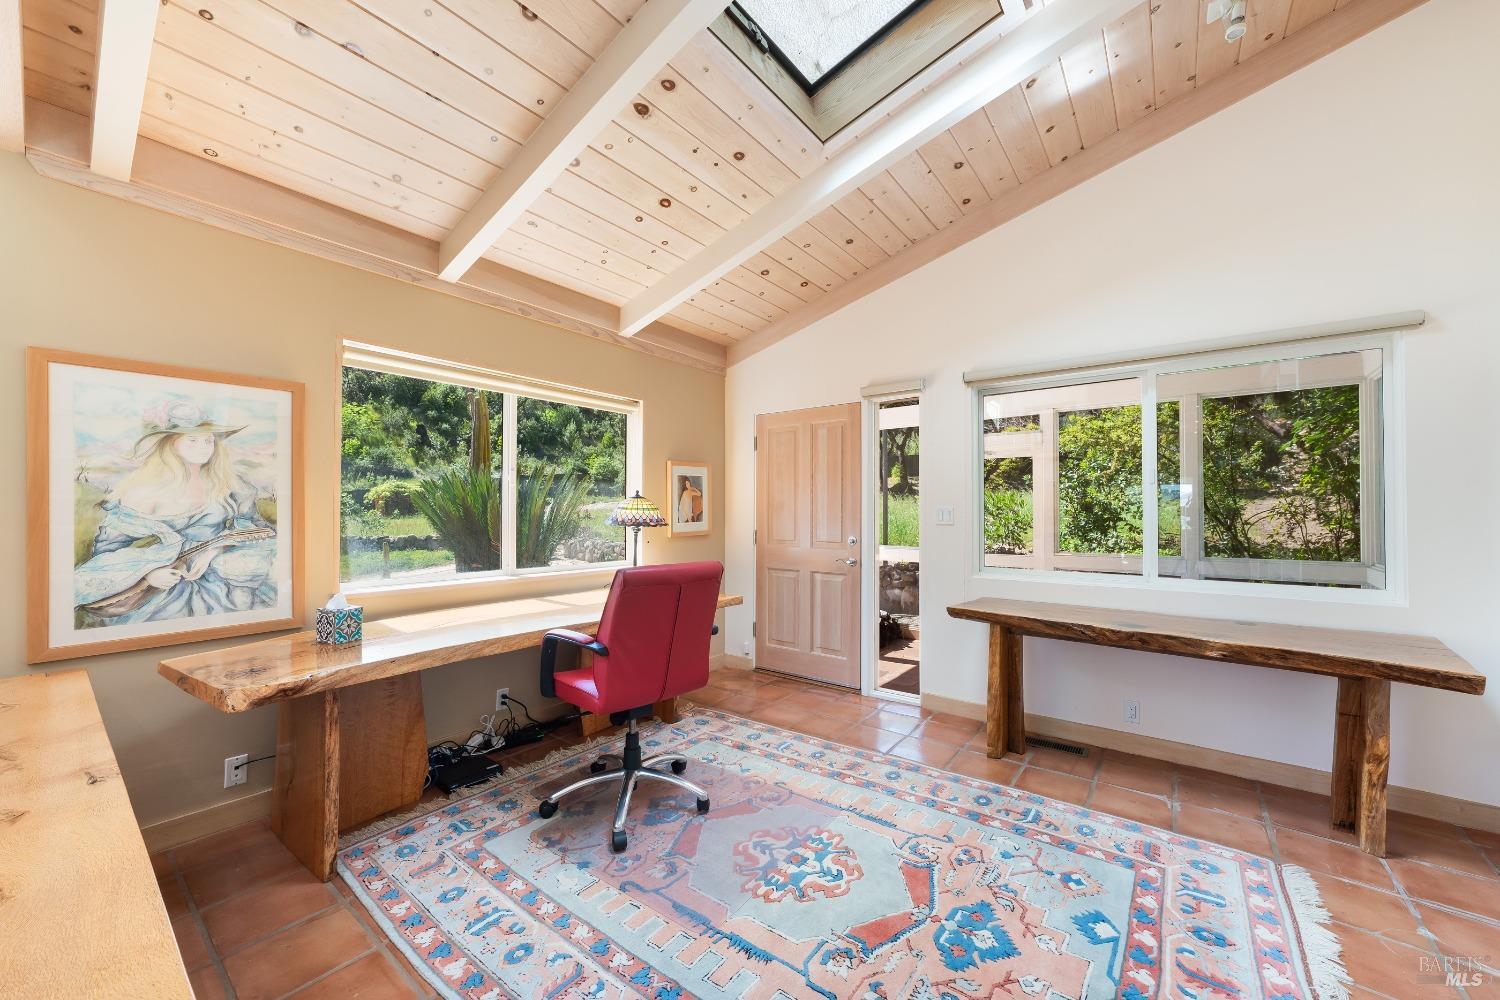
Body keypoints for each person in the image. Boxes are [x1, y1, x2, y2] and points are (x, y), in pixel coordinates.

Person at [73, 400, 277, 625]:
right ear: (171, 444)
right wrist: (147, 575)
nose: (204, 447)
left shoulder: (229, 485)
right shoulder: (144, 492)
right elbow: (106, 552)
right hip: (168, 585)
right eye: (193, 440)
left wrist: (215, 550)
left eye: (209, 440)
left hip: (226, 574)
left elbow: (258, 528)